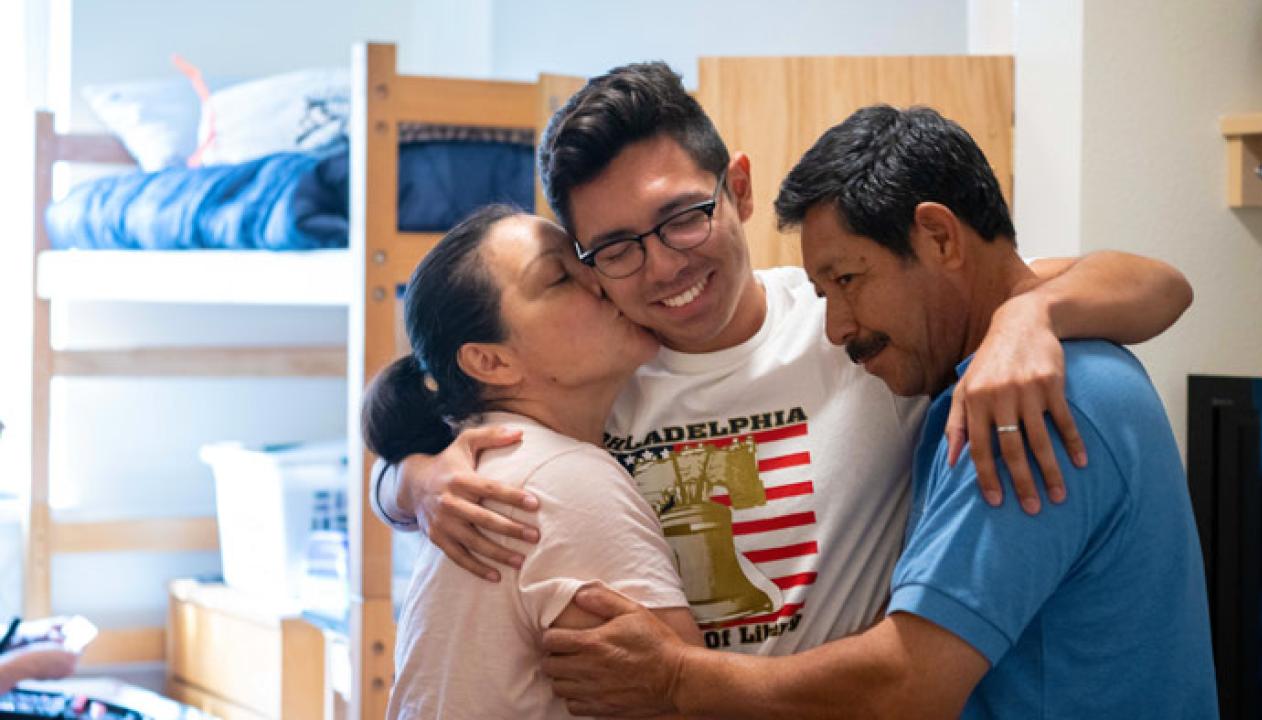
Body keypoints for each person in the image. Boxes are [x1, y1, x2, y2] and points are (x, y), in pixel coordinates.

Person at [373, 62, 1194, 657]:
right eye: (617, 248)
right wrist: (412, 483)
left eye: (684, 218)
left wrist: (1029, 313)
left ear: (737, 188)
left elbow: (1158, 285)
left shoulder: (858, 323)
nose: (662, 267)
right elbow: (413, 417)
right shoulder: (591, 374)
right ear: (587, 261)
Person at [539, 105, 1217, 719]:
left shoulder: (1024, 394)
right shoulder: (595, 380)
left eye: (847, 281)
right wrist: (427, 478)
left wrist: (675, 679)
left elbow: (908, 683)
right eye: (619, 249)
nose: (837, 325)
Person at [361, 205, 700, 719]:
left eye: (587, 259)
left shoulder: (497, 462)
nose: (602, 280)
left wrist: (409, 480)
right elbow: (688, 706)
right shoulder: (560, 481)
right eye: (561, 276)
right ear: (491, 362)